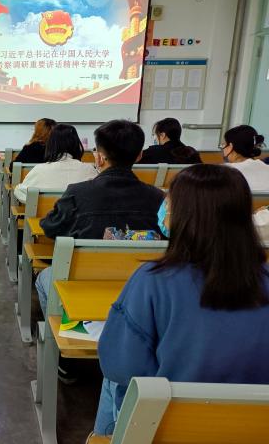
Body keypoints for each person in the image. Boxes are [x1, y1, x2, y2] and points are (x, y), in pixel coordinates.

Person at [92, 164, 269, 438]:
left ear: (184, 216)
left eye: (169, 203)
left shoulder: (152, 280)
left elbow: (118, 363)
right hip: (256, 429)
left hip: (167, 427)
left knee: (113, 382)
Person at [35, 120, 164, 318]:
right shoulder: (158, 198)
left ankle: (61, 332)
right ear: (139, 155)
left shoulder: (78, 193)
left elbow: (51, 228)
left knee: (44, 277)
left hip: (83, 282)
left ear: (99, 157)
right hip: (141, 286)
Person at [14, 123, 96, 203]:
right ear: (76, 144)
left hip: (47, 212)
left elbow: (21, 192)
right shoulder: (89, 170)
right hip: (81, 212)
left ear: (50, 145)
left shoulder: (39, 170)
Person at [221, 125, 269, 191]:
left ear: (230, 146)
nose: (223, 148)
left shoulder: (223, 172)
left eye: (223, 145)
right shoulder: (266, 167)